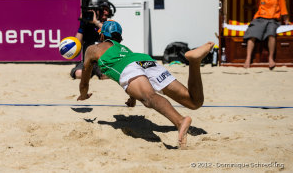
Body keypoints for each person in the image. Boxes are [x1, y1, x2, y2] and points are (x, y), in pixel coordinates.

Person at [77, 20, 214, 148]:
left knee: (149, 98)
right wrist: (133, 97)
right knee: (194, 102)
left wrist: (83, 95)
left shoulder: (92, 49)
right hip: (146, 60)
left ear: (101, 36)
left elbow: (84, 80)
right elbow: (137, 73)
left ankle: (180, 121)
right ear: (119, 38)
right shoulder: (124, 48)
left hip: (128, 67)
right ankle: (194, 62)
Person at [243, 0, 289, 69]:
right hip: (260, 19)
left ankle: (271, 58)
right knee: (252, 34)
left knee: (271, 34)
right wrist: (249, 7)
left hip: (273, 20)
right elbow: (258, 6)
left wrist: (286, 22)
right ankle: (248, 59)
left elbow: (283, 10)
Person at [70, 0, 114, 79]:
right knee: (79, 74)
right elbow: (76, 45)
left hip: (103, 62)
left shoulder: (110, 24)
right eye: (101, 9)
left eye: (106, 9)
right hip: (87, 61)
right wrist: (82, 26)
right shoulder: (87, 26)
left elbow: (110, 33)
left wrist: (96, 22)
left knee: (107, 75)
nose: (104, 12)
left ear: (109, 12)